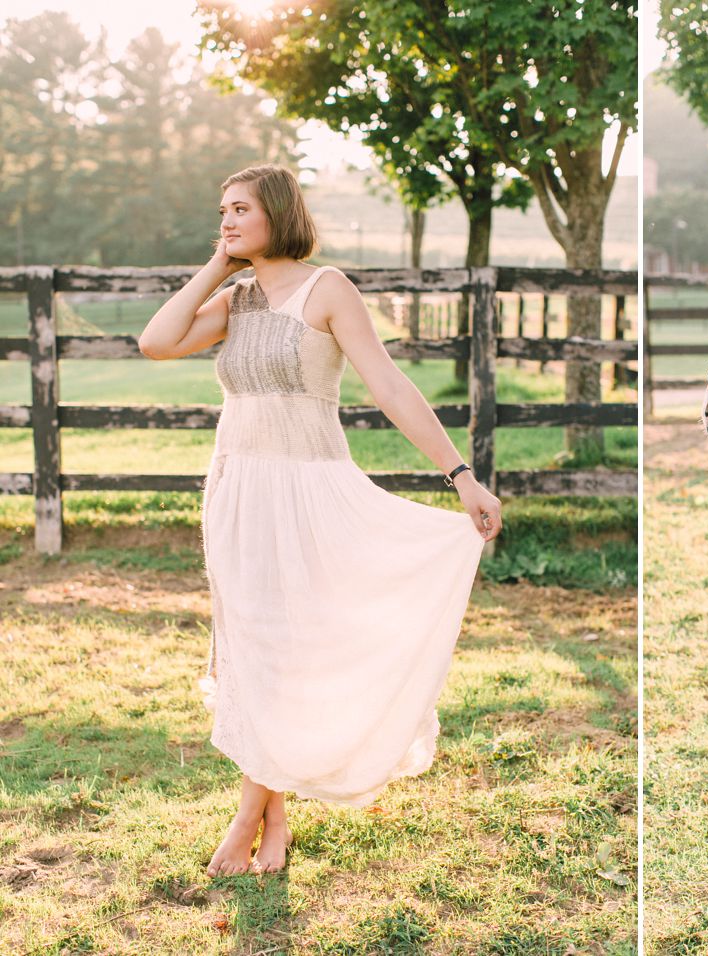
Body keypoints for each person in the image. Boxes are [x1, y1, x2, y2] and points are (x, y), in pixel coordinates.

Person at [138, 163, 502, 878]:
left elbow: (391, 386)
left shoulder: (326, 288)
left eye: (240, 209)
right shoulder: (236, 298)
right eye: (221, 211)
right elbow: (156, 341)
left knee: (289, 650)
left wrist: (460, 476)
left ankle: (248, 815)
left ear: (278, 211)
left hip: (309, 492)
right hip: (239, 490)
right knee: (251, 651)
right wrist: (218, 263)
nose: (228, 221)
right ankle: (271, 817)